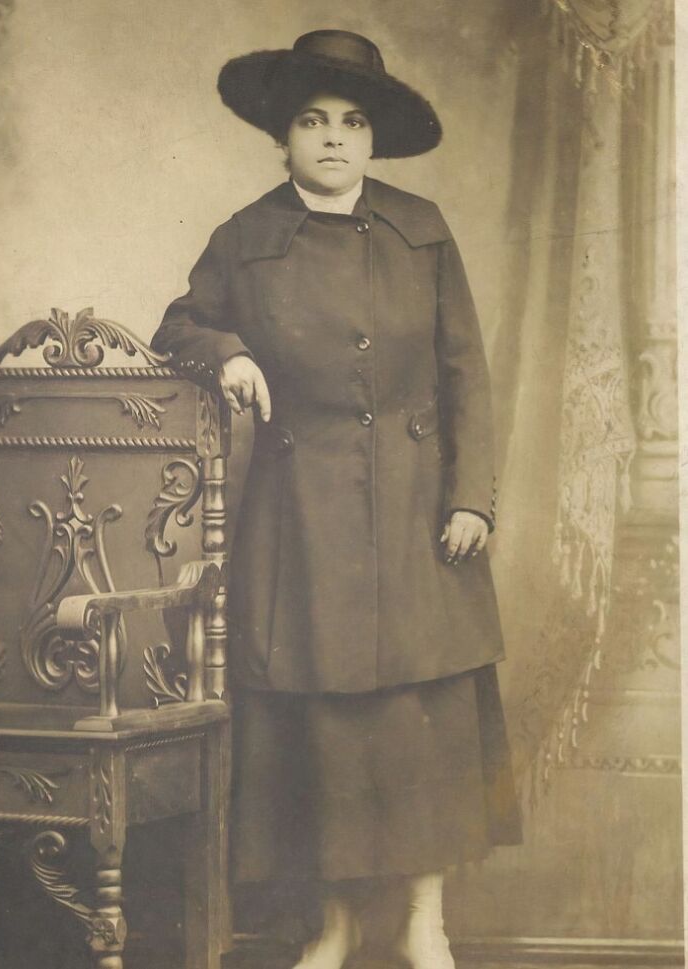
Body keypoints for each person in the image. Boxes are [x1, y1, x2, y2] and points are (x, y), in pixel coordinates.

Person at [151, 29, 522, 969]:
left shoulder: (422, 227)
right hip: (301, 519)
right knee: (318, 730)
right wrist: (228, 351)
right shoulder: (246, 236)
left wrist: (471, 495)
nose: (332, 139)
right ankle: (335, 924)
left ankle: (424, 920)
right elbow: (178, 325)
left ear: (373, 139)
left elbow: (465, 372)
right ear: (284, 136)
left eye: (352, 123)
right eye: (312, 122)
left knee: (420, 723)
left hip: (417, 515)